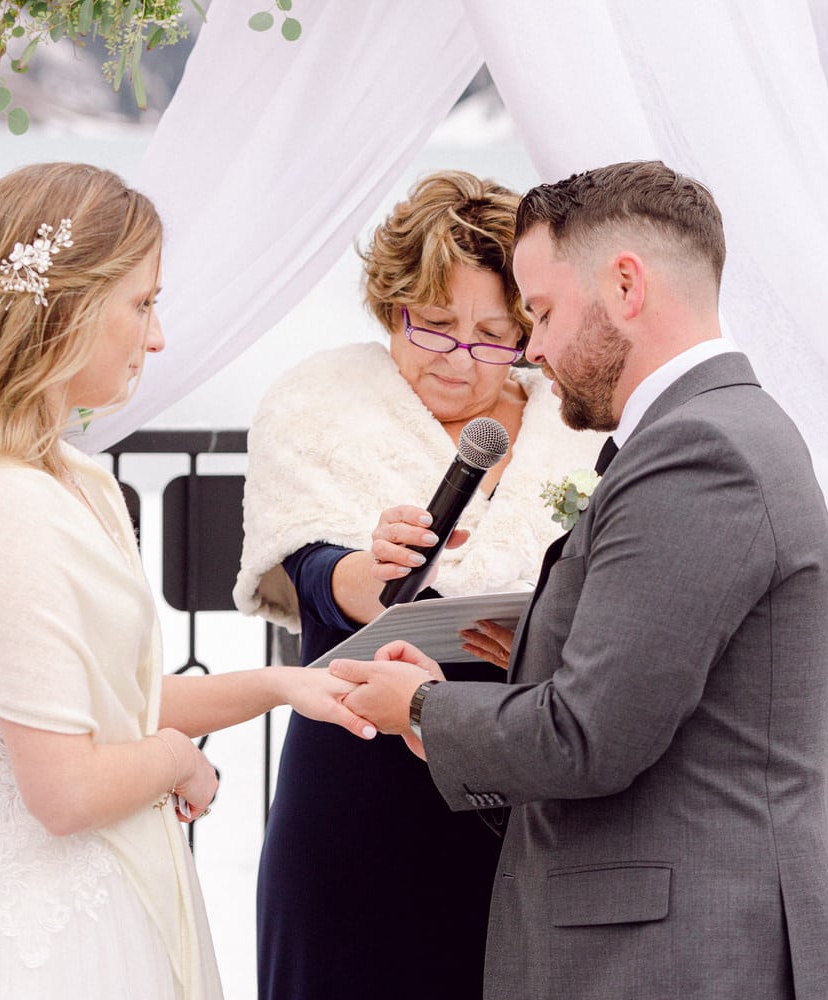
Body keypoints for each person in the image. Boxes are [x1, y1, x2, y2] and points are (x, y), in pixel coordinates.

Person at [0, 163, 377, 1000]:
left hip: (106, 903)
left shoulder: (70, 480)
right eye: (143, 303)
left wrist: (284, 684)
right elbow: (62, 790)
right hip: (38, 947)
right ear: (69, 306)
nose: (156, 338)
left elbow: (98, 701)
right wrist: (175, 762)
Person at [332, 161, 828, 1000]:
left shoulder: (703, 451)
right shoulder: (714, 429)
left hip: (686, 956)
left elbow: (589, 738)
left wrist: (420, 708)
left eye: (541, 312)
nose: (533, 349)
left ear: (625, 285)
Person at [233, 170, 600, 999]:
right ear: (389, 301)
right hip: (355, 811)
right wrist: (376, 571)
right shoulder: (319, 405)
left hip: (516, 814)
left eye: (492, 334)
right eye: (433, 326)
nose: (458, 361)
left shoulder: (574, 430)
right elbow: (314, 575)